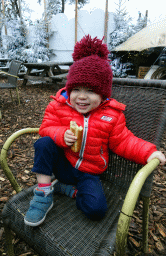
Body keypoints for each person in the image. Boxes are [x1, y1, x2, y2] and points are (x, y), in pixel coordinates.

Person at [24, 35, 166, 227]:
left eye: (90, 91)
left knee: (96, 210)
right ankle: (43, 193)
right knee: (44, 143)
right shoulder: (59, 106)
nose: (82, 97)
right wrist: (60, 134)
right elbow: (45, 128)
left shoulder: (112, 115)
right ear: (69, 89)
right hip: (64, 164)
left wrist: (149, 152)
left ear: (103, 94)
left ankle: (67, 190)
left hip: (88, 173)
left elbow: (124, 141)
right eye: (76, 89)